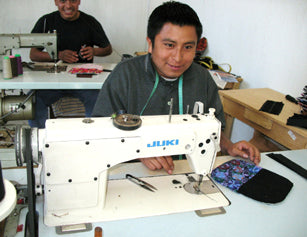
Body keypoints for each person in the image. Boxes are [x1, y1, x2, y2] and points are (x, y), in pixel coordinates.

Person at [92, 1, 260, 174]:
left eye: (188, 47)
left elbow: (213, 129)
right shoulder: (125, 75)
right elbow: (99, 129)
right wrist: (138, 149)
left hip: (185, 170)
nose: (178, 57)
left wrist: (229, 146)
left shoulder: (203, 79)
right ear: (150, 44)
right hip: (134, 171)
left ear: (197, 47)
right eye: (169, 45)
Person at [29, 0, 112, 128]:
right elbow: (33, 54)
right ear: (56, 2)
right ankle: (41, 138)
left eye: (73, 1)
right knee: (33, 100)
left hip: (84, 81)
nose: (68, 6)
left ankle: (92, 137)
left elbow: (107, 49)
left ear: (79, 1)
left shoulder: (90, 22)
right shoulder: (46, 22)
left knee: (99, 99)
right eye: (63, 1)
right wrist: (58, 55)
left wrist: (93, 51)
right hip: (53, 81)